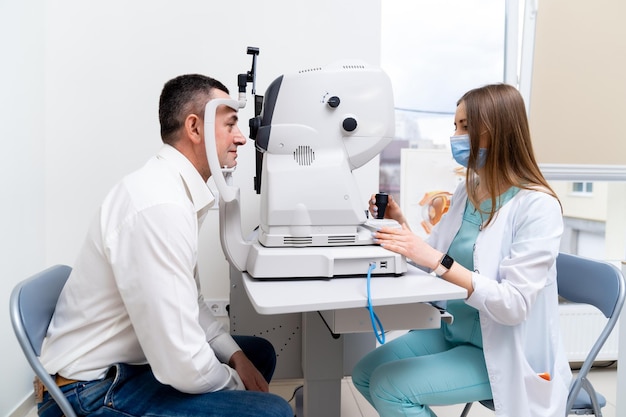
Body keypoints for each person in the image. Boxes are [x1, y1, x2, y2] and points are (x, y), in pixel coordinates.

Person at [38, 74, 293, 417]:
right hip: (90, 392)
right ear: (194, 128)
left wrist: (236, 358)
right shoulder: (160, 207)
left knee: (256, 355)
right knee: (271, 411)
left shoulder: (172, 192)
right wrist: (239, 388)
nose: (242, 138)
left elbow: (191, 302)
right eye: (231, 124)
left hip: (132, 364)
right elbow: (182, 361)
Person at [352, 83, 572, 417]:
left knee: (389, 388)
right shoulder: (468, 190)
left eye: (466, 127)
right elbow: (433, 255)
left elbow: (514, 305)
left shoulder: (537, 206)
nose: (456, 136)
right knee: (365, 373)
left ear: (498, 131)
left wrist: (435, 260)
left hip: (500, 351)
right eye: (455, 126)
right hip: (455, 332)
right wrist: (401, 225)